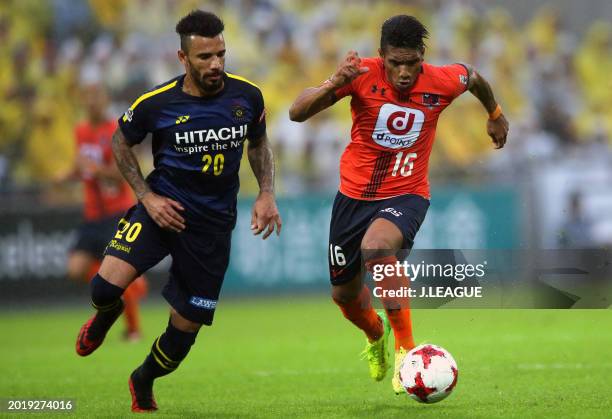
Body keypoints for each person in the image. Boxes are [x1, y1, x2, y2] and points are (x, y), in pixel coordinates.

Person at [74, 10, 281, 412]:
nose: (216, 63)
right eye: (205, 57)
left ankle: (143, 378)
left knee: (183, 333)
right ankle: (104, 317)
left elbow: (258, 144)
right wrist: (146, 197)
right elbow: (120, 142)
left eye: (220, 53)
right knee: (103, 288)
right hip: (161, 210)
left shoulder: (247, 96)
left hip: (212, 228)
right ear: (183, 59)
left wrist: (266, 192)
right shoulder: (156, 102)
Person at [289, 15, 508, 394]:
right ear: (381, 56)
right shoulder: (360, 74)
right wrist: (334, 83)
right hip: (352, 198)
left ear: (423, 56)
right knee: (343, 295)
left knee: (376, 247)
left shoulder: (442, 79)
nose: (404, 72)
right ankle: (375, 334)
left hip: (406, 194)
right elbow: (296, 112)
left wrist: (495, 114)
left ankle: (408, 353)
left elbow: (472, 76)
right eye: (395, 63)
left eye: (412, 63)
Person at [64, 83, 148, 341]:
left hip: (117, 213)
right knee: (76, 269)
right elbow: (82, 168)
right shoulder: (80, 131)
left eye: (96, 97)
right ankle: (128, 289)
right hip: (92, 214)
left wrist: (92, 167)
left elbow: (120, 174)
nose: (92, 103)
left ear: (105, 100)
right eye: (87, 98)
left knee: (116, 275)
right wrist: (66, 174)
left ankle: (133, 330)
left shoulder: (115, 130)